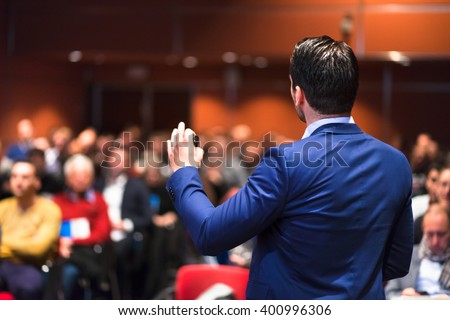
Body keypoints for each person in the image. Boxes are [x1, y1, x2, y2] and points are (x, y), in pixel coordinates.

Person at [166, 35, 413, 299]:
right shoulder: (396, 163)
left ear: (298, 94)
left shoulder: (286, 162)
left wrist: (184, 171)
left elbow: (209, 233)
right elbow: (396, 263)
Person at [52, 154, 112, 299]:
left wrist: (72, 241)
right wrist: (61, 243)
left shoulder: (98, 201)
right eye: (75, 175)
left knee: (79, 273)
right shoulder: (57, 202)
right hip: (63, 254)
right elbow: (52, 231)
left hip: (91, 254)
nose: (80, 179)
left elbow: (103, 233)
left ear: (92, 178)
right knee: (64, 274)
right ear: (67, 179)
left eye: (85, 175)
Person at [0, 161, 61, 299]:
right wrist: (24, 242)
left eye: (25, 177)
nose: (18, 182)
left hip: (30, 266)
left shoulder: (50, 210)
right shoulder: (3, 207)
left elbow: (38, 249)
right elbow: (30, 245)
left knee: (28, 287)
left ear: (37, 182)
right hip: (2, 263)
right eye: (14, 176)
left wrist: (3, 242)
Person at [385, 203, 450, 298]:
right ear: (423, 231)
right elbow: (389, 293)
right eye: (430, 234)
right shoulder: (407, 256)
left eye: (441, 234)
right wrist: (404, 296)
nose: (435, 241)